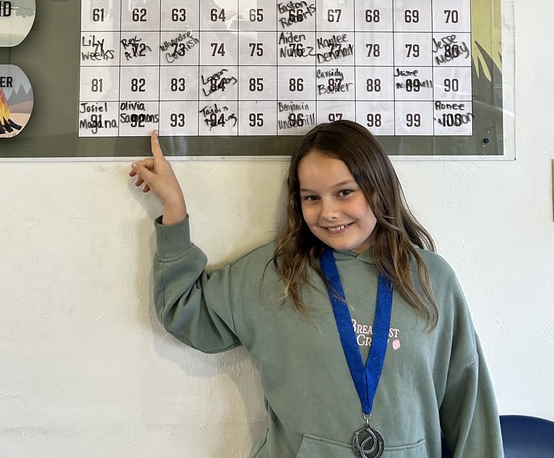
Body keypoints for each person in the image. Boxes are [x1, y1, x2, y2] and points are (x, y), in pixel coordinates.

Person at [130, 122, 503, 458]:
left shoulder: (430, 278)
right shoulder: (276, 274)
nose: (328, 212)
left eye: (344, 192)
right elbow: (185, 308)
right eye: (312, 197)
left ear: (378, 187)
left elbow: (468, 407)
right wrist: (174, 209)